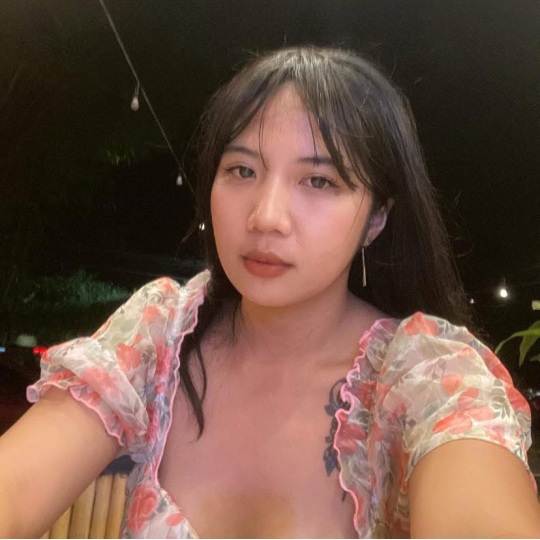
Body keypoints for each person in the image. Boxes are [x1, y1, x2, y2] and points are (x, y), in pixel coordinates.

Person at [0, 46, 539, 539]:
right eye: (242, 170)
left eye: (319, 181)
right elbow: (16, 488)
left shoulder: (428, 376)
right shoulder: (160, 336)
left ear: (376, 218)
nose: (266, 216)